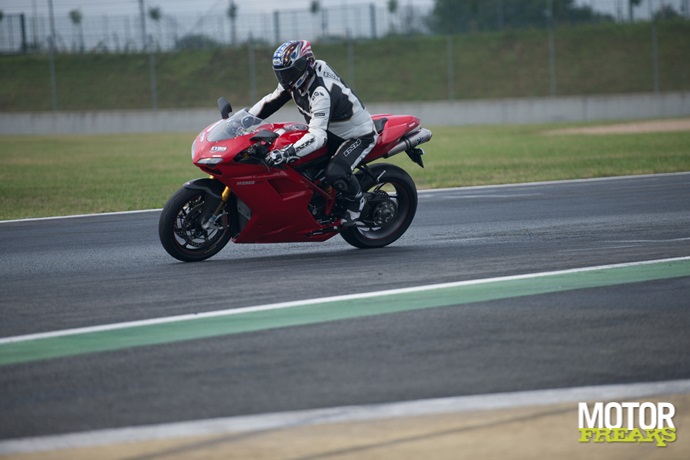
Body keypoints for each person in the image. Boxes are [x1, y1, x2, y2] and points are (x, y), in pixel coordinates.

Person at [247, 40, 378, 226]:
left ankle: (357, 201)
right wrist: (245, 118)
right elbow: (270, 102)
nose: (286, 78)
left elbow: (317, 137)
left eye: (290, 71)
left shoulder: (320, 92)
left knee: (335, 172)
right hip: (330, 131)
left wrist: (286, 153)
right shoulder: (297, 80)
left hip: (356, 135)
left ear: (305, 64)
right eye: (281, 73)